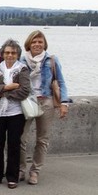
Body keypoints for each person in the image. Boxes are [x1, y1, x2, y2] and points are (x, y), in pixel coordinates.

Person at [19, 30, 69, 185]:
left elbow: (61, 82)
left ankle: (35, 171)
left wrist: (64, 103)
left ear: (44, 44)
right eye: (34, 41)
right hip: (27, 101)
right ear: (29, 43)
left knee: (42, 139)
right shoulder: (21, 60)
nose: (37, 44)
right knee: (20, 138)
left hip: (46, 101)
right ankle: (20, 169)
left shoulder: (51, 60)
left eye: (40, 42)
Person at [0, 39, 31, 189]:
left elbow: (24, 90)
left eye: (13, 52)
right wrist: (7, 87)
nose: (10, 55)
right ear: (2, 53)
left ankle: (12, 176)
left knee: (14, 144)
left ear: (17, 54)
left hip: (15, 112)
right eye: (7, 52)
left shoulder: (22, 69)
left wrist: (3, 93)